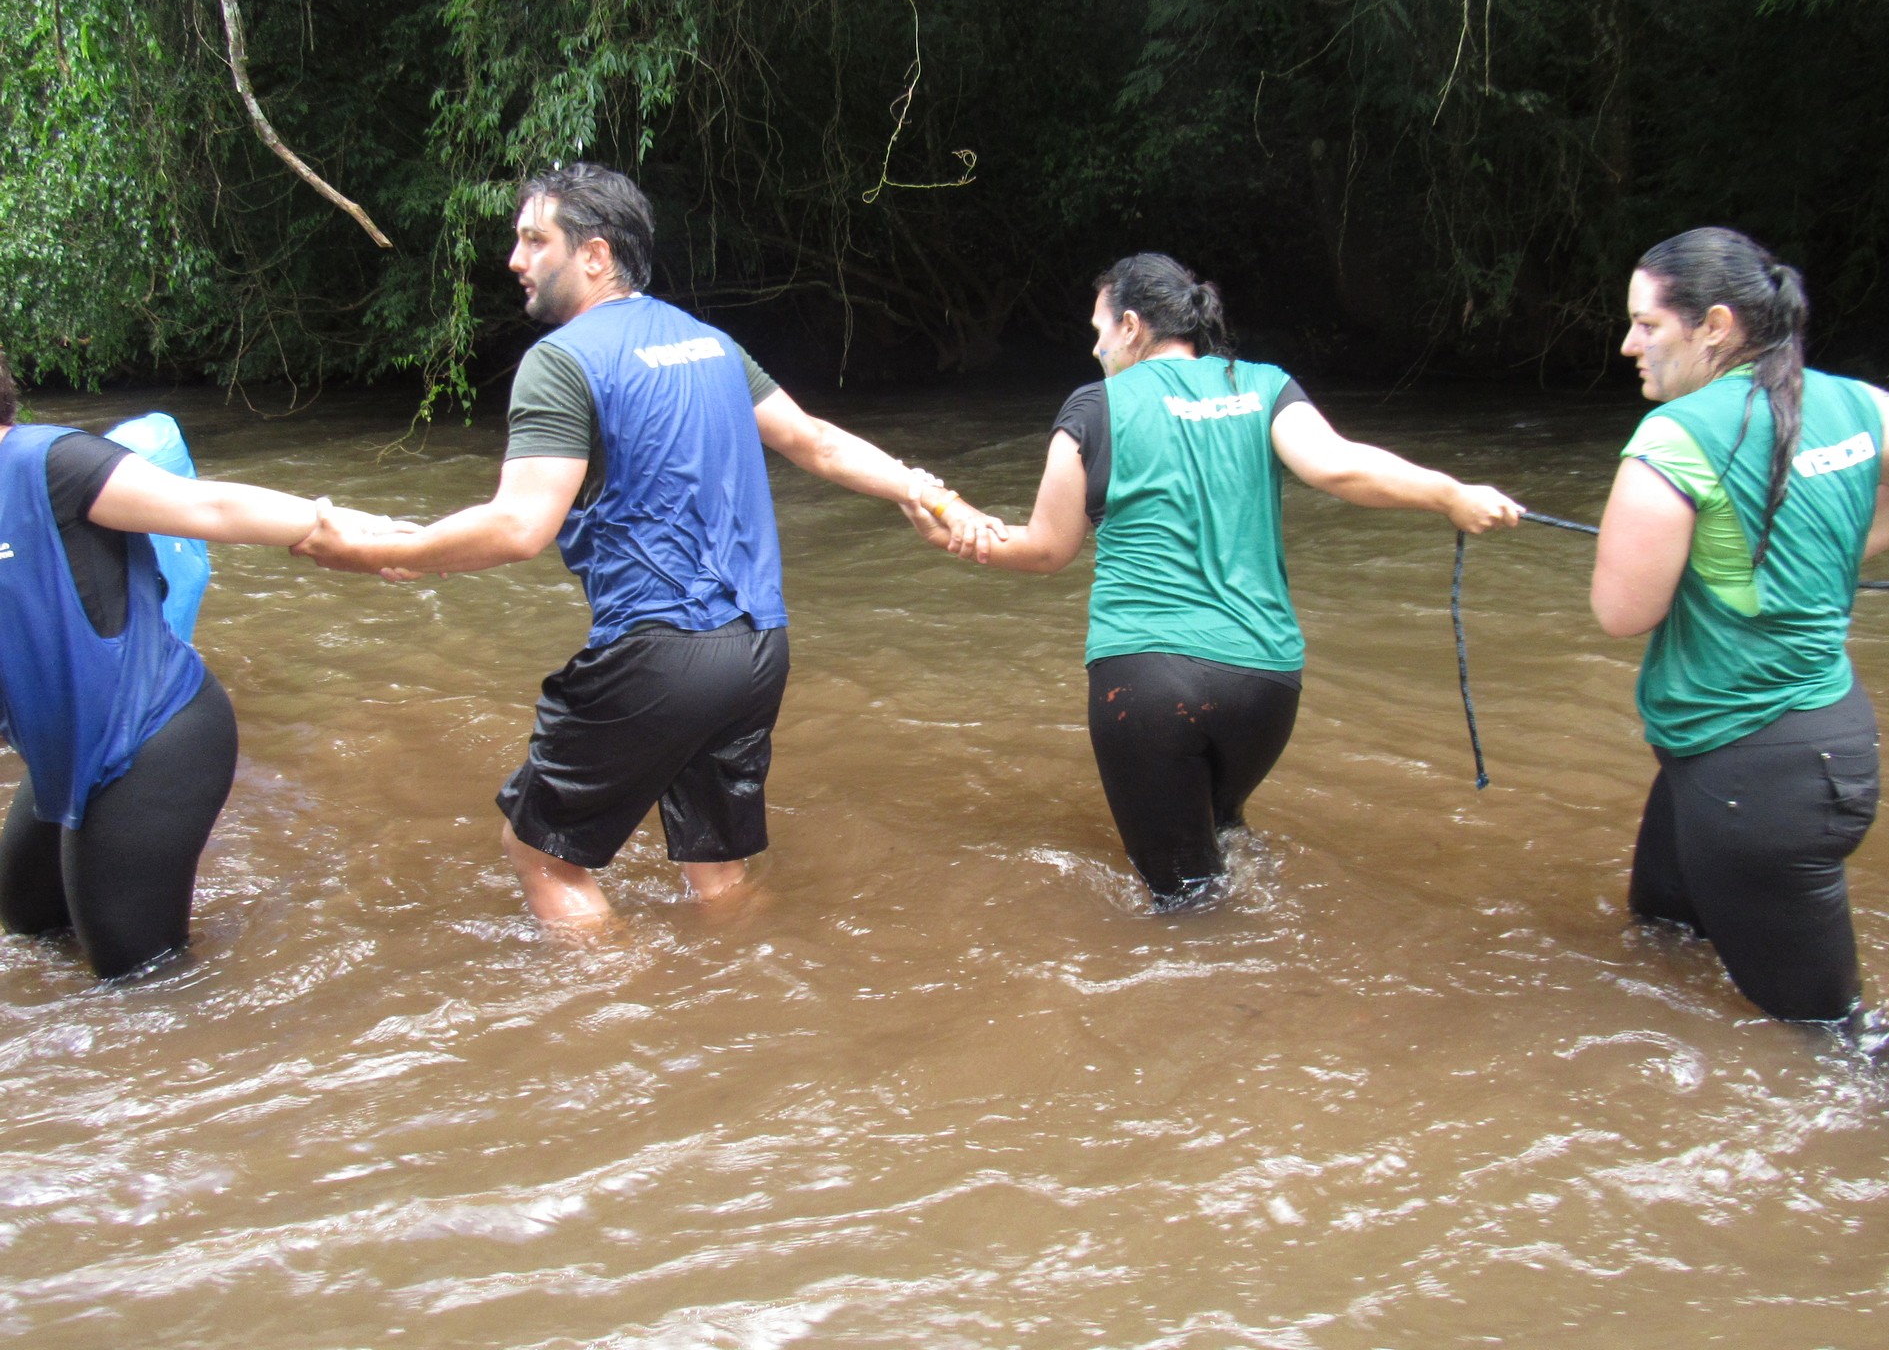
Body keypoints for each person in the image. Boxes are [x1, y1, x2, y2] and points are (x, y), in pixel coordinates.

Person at [295, 162, 989, 924]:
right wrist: (929, 493)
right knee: (716, 869)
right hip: (758, 647)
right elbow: (815, 441)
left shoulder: (561, 363)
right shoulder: (711, 344)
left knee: (541, 854)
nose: (515, 260)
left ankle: (623, 996)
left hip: (661, 649)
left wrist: (379, 551)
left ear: (594, 254)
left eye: (534, 240)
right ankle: (745, 984)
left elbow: (520, 526)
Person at [905, 253, 1521, 908]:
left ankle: (1225, 970)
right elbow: (1338, 467)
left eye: (1099, 331)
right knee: (1221, 835)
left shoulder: (1094, 407)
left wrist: (949, 534)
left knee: (1185, 910)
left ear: (1132, 327)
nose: (1095, 348)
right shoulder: (1264, 386)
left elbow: (1045, 550)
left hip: (1148, 682)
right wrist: (1451, 495)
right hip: (1266, 687)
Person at [1590, 226, 1889, 1051]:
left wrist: (1775, 554)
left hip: (1757, 776)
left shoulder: (1675, 437)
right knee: (1661, 934)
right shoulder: (1847, 403)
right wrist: (1820, 549)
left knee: (1830, 1036)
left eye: (1647, 324)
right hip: (1795, 747)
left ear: (1714, 325)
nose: (1630, 344)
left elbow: (1622, 612)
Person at [0, 348, 402, 979]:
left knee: (138, 979)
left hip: (153, 734)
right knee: (29, 921)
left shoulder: (50, 461)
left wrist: (355, 530)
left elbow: (208, 507)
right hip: (70, 747)